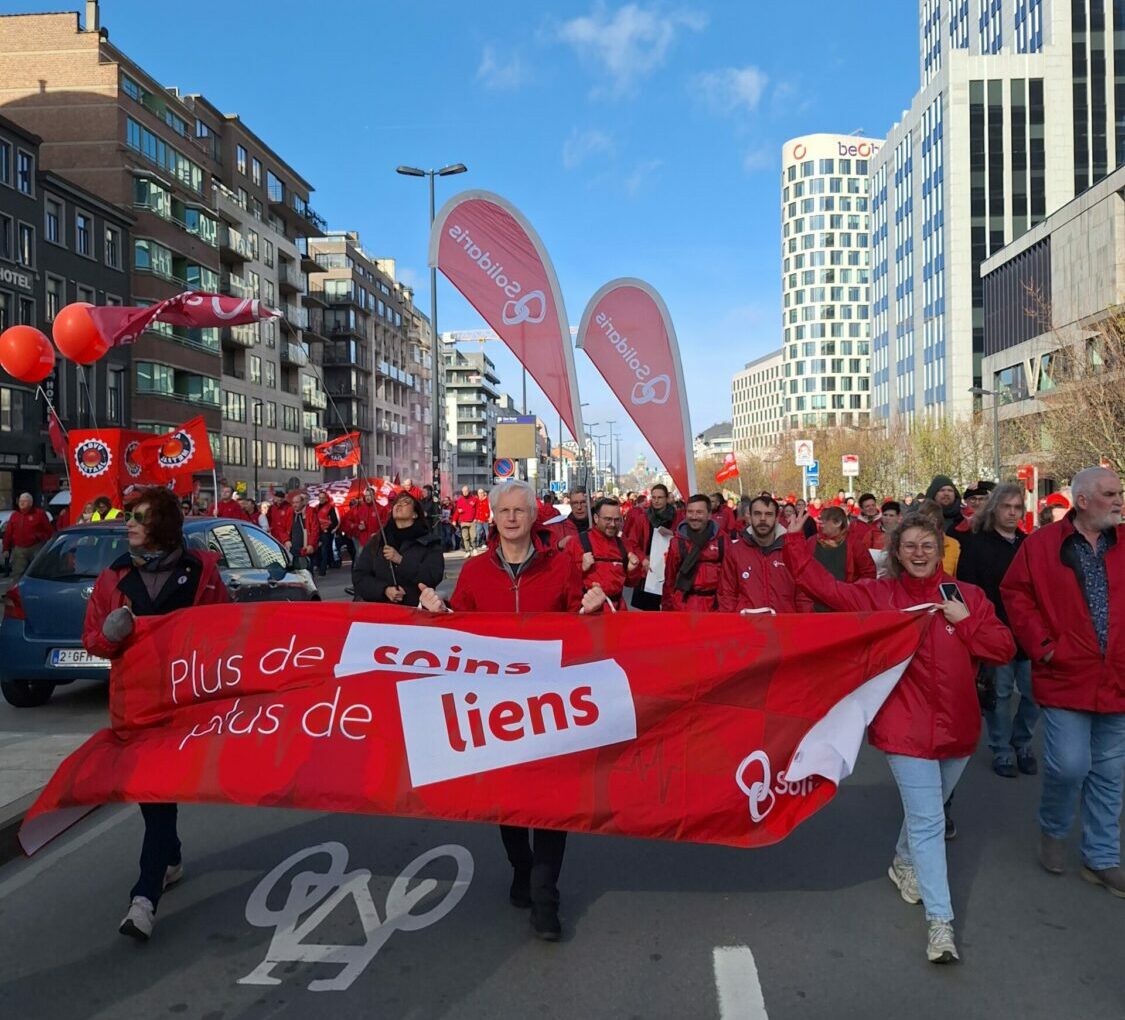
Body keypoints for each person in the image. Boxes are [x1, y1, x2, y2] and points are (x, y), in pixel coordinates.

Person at [784, 509, 1014, 962]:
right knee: (928, 820)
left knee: (922, 814)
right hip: (902, 727)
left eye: (927, 545)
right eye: (909, 546)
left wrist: (965, 620)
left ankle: (903, 862)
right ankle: (940, 925)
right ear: (896, 552)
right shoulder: (880, 595)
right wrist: (795, 543)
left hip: (959, 729)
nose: (919, 553)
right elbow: (826, 589)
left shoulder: (965, 595)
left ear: (940, 548)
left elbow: (1003, 649)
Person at [418, 480, 605, 942]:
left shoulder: (560, 568)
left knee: (553, 803)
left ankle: (545, 896)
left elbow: (583, 624)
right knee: (509, 804)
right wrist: (435, 612)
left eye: (520, 510)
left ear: (533, 516)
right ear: (494, 517)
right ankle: (521, 868)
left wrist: (596, 609)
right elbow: (458, 632)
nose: (513, 518)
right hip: (496, 712)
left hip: (551, 706)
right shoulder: (477, 572)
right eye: (505, 510)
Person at [81, 485, 229, 940]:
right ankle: (168, 861)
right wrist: (111, 633)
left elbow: (226, 628)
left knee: (161, 794)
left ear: (161, 525)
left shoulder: (200, 570)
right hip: (137, 706)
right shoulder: (114, 577)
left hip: (183, 706)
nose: (129, 524)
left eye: (139, 518)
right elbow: (92, 640)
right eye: (130, 516)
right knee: (155, 798)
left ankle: (144, 898)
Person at [1001, 466, 1125, 896]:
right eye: (1110, 493)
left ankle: (1102, 857)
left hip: (1118, 677)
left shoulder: (1124, 543)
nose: (1118, 500)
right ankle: (1054, 829)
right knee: (1069, 765)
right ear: (1084, 501)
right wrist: (1044, 646)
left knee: (1110, 774)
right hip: (1066, 673)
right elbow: (1015, 593)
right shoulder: (1041, 546)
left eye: (1119, 493)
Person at [956, 483, 1039, 778]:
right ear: (995, 509)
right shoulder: (977, 544)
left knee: (1034, 694)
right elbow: (968, 587)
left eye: (1018, 508)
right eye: (1007, 507)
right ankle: (1002, 749)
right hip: (995, 630)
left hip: (1029, 631)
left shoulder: (1028, 544)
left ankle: (1023, 742)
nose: (1013, 513)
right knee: (1000, 694)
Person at [718, 495, 811, 614]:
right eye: (757, 514)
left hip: (785, 625)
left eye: (768, 514)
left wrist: (803, 624)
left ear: (777, 518)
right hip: (747, 626)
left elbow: (803, 595)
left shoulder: (791, 551)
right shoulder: (735, 551)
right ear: (750, 517)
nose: (762, 519)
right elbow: (726, 594)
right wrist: (732, 625)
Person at [353, 491, 443, 606]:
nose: (399, 505)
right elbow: (360, 576)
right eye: (396, 503)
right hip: (380, 612)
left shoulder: (429, 543)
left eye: (406, 502)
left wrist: (401, 561)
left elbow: (432, 576)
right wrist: (384, 590)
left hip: (415, 611)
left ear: (415, 514)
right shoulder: (378, 539)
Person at [565, 496, 644, 610]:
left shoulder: (623, 544)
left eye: (617, 520)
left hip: (617, 612)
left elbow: (631, 583)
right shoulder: (577, 542)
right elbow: (562, 580)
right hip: (586, 611)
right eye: (607, 519)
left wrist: (633, 570)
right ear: (596, 518)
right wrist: (580, 568)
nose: (612, 524)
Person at [662, 493, 727, 612]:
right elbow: (669, 581)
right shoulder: (677, 542)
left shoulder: (722, 540)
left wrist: (725, 609)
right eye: (690, 512)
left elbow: (730, 581)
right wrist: (667, 611)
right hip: (683, 606)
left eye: (699, 512)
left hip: (714, 607)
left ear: (709, 515)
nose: (694, 516)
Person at [807, 506, 876, 609]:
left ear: (838, 522)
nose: (820, 524)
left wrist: (853, 592)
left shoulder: (854, 543)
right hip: (816, 604)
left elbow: (868, 572)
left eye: (825, 521)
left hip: (845, 604)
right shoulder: (811, 542)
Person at [623, 483, 677, 611]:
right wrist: (643, 559)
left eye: (660, 497)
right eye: (654, 497)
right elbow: (632, 542)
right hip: (649, 570)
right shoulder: (643, 518)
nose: (656, 501)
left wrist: (673, 534)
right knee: (649, 613)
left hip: (671, 568)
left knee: (670, 610)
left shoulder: (677, 516)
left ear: (667, 498)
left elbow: (685, 539)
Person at [3, 492, 54, 581]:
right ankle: (17, 592)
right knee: (17, 573)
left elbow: (49, 532)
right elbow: (8, 533)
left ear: (30, 503)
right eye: (20, 501)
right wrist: (6, 548)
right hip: (19, 549)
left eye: (25, 501)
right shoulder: (15, 516)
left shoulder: (39, 514)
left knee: (38, 571)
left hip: (36, 547)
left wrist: (39, 537)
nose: (22, 503)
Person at [270, 490, 319, 568]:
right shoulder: (289, 511)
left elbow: (315, 530)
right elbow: (281, 527)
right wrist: (286, 540)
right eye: (293, 502)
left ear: (303, 502)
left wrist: (311, 544)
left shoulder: (310, 512)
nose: (294, 505)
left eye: (297, 502)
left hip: (305, 546)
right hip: (292, 546)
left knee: (306, 568)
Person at [315, 496, 341, 577]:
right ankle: (320, 566)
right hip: (317, 532)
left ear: (326, 499)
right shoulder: (316, 508)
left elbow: (335, 521)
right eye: (320, 497)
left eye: (323, 497)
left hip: (326, 532)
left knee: (324, 550)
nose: (321, 499)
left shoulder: (330, 508)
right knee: (318, 550)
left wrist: (329, 529)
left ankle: (323, 570)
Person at [474, 487, 491, 551]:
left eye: (481, 493)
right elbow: (475, 510)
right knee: (478, 532)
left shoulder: (488, 500)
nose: (480, 494)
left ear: (484, 493)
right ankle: (479, 544)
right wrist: (475, 518)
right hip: (479, 520)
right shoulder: (476, 500)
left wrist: (490, 517)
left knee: (487, 533)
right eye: (479, 493)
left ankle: (488, 544)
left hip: (486, 520)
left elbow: (490, 509)